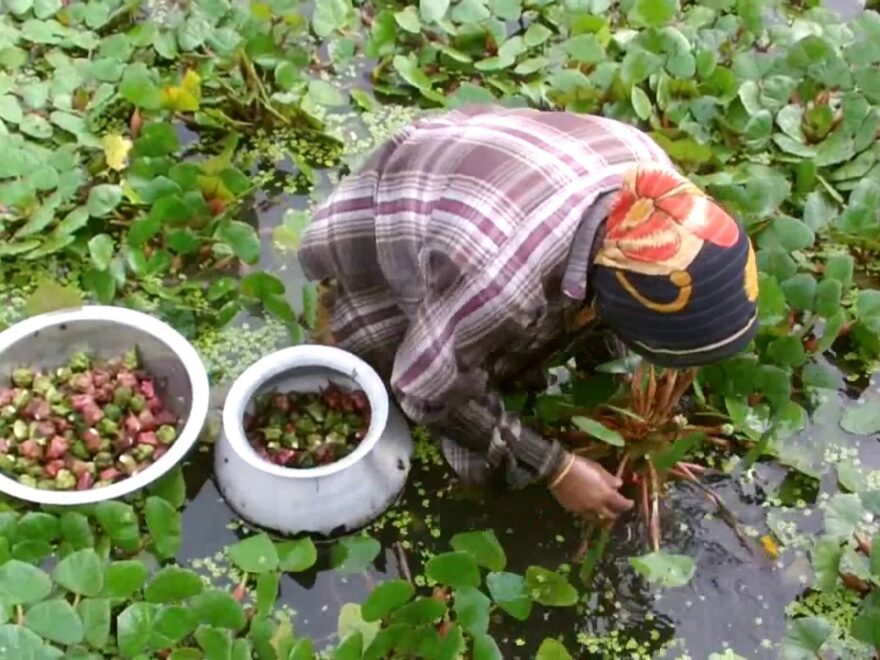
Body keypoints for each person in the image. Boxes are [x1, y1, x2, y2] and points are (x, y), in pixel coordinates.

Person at [297, 105, 759, 520]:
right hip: (386, 221)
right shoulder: (502, 280)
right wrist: (555, 467)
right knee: (392, 372)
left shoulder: (654, 179)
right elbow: (425, 386)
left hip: (477, 179)